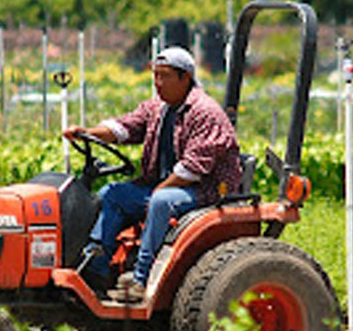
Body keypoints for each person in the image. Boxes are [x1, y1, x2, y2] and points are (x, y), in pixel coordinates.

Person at [63, 46, 242, 303]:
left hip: (204, 190)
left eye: (165, 76)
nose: (158, 83)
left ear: (185, 78)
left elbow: (193, 168)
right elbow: (124, 127)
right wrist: (88, 132)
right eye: (155, 76)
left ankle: (140, 279)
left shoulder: (206, 112)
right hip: (167, 185)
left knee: (161, 201)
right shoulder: (159, 108)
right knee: (112, 194)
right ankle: (96, 268)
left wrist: (160, 189)